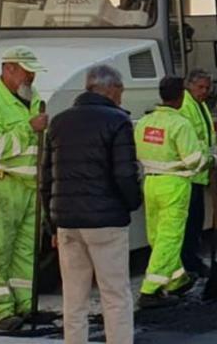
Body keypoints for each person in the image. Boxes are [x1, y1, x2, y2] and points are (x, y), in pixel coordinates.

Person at [41, 65, 142, 344]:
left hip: (68, 223)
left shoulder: (59, 123)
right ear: (110, 89)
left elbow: (46, 178)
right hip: (106, 222)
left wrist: (53, 224)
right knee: (115, 295)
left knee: (74, 298)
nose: (121, 96)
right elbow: (124, 173)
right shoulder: (118, 122)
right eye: (121, 90)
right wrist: (132, 203)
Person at [0, 46, 48, 331]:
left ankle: (25, 305)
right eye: (27, 70)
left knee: (25, 250)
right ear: (8, 69)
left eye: (33, 70)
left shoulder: (31, 97)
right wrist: (30, 127)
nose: (31, 75)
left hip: (27, 187)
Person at [134, 76, 210, 308]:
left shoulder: (145, 122)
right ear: (180, 96)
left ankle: (177, 281)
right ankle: (149, 290)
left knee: (156, 236)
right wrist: (212, 159)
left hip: (150, 182)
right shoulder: (179, 124)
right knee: (170, 238)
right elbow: (194, 162)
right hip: (174, 185)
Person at [179, 69, 217, 277]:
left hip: (199, 173)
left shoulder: (199, 105)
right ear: (189, 85)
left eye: (207, 88)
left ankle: (191, 259)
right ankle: (189, 262)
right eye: (200, 87)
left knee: (195, 221)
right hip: (188, 175)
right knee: (189, 223)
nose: (204, 91)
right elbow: (189, 141)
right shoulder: (185, 106)